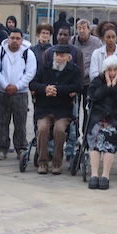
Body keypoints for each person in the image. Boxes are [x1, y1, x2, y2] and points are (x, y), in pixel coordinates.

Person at [29, 44, 82, 175]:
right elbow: (33, 84)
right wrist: (45, 89)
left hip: (63, 110)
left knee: (59, 130)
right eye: (56, 55)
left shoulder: (74, 70)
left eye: (62, 56)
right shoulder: (44, 68)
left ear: (68, 57)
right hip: (44, 109)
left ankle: (57, 163)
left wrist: (58, 90)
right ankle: (43, 162)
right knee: (42, 129)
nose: (58, 58)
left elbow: (78, 86)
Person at [86, 56, 117, 190]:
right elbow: (92, 97)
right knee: (95, 138)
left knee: (109, 137)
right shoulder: (97, 81)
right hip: (98, 117)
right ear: (104, 71)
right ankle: (94, 175)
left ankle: (105, 176)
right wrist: (107, 85)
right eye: (109, 70)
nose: (112, 73)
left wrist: (115, 86)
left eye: (115, 70)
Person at [0, 28, 37, 161]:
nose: (15, 41)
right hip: (2, 92)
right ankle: (2, 148)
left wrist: (17, 86)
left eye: (18, 38)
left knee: (20, 122)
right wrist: (4, 85)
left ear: (22, 40)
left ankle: (21, 148)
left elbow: (30, 73)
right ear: (8, 38)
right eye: (12, 38)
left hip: (20, 93)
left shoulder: (28, 54)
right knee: (1, 122)